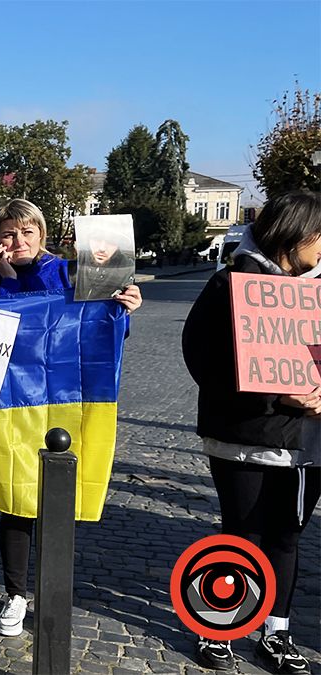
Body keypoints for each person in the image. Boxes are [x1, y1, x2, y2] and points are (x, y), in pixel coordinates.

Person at [0, 199, 141, 637]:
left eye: (27, 232)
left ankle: (53, 595)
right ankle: (15, 594)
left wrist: (124, 308)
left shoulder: (69, 273)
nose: (18, 240)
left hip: (63, 405)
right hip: (10, 412)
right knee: (15, 504)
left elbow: (99, 330)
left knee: (56, 505)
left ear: (42, 234)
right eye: (8, 233)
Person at [181, 190, 321, 674]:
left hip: (307, 444)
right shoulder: (229, 285)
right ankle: (217, 627)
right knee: (241, 533)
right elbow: (203, 360)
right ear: (296, 234)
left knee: (286, 537)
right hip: (243, 437)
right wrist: (275, 395)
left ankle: (276, 633)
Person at [75, 224, 135, 301]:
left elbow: (125, 299)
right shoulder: (75, 262)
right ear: (88, 240)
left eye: (111, 241)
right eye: (97, 239)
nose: (102, 248)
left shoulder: (125, 267)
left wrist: (129, 305)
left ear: (118, 245)